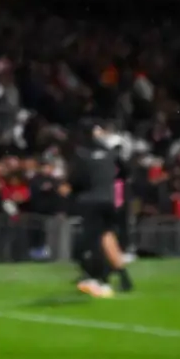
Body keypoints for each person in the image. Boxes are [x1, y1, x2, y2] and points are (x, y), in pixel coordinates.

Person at [68, 123, 132, 296]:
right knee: (107, 236)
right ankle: (124, 277)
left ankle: (99, 280)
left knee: (88, 243)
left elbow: (76, 180)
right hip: (110, 200)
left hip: (91, 201)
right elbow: (125, 171)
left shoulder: (82, 154)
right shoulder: (111, 153)